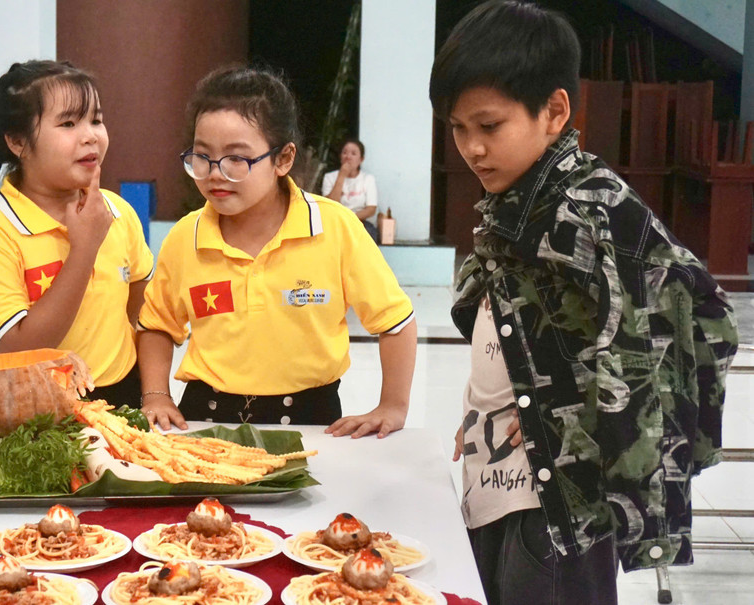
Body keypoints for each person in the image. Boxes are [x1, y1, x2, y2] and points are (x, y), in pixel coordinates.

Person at [428, 2, 737, 604]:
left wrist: (615, 449)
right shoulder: (520, 201)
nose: (471, 147)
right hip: (497, 483)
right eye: (458, 128)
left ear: (555, 112)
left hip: (558, 510)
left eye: (488, 126)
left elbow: (703, 317)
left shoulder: (592, 210)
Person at [136, 65, 416, 439]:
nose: (216, 173)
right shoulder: (186, 237)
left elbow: (395, 321)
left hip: (311, 421)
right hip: (205, 418)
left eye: (237, 158)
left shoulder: (334, 228)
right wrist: (156, 395)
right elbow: (156, 325)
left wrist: (392, 406)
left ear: (283, 159)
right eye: (203, 156)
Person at [0, 60, 154, 408]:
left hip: (124, 399)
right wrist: (84, 250)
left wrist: (152, 392)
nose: (91, 135)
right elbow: (19, 350)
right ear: (18, 141)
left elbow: (140, 309)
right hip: (36, 408)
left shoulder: (117, 211)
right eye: (68, 123)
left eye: (96, 119)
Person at [321, 139, 379, 240]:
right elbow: (329, 205)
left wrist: (351, 218)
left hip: (360, 222)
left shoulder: (368, 179)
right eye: (344, 153)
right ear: (340, 157)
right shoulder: (329, 177)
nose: (348, 157)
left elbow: (371, 209)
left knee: (368, 234)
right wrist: (341, 176)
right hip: (336, 222)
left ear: (361, 159)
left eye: (353, 153)